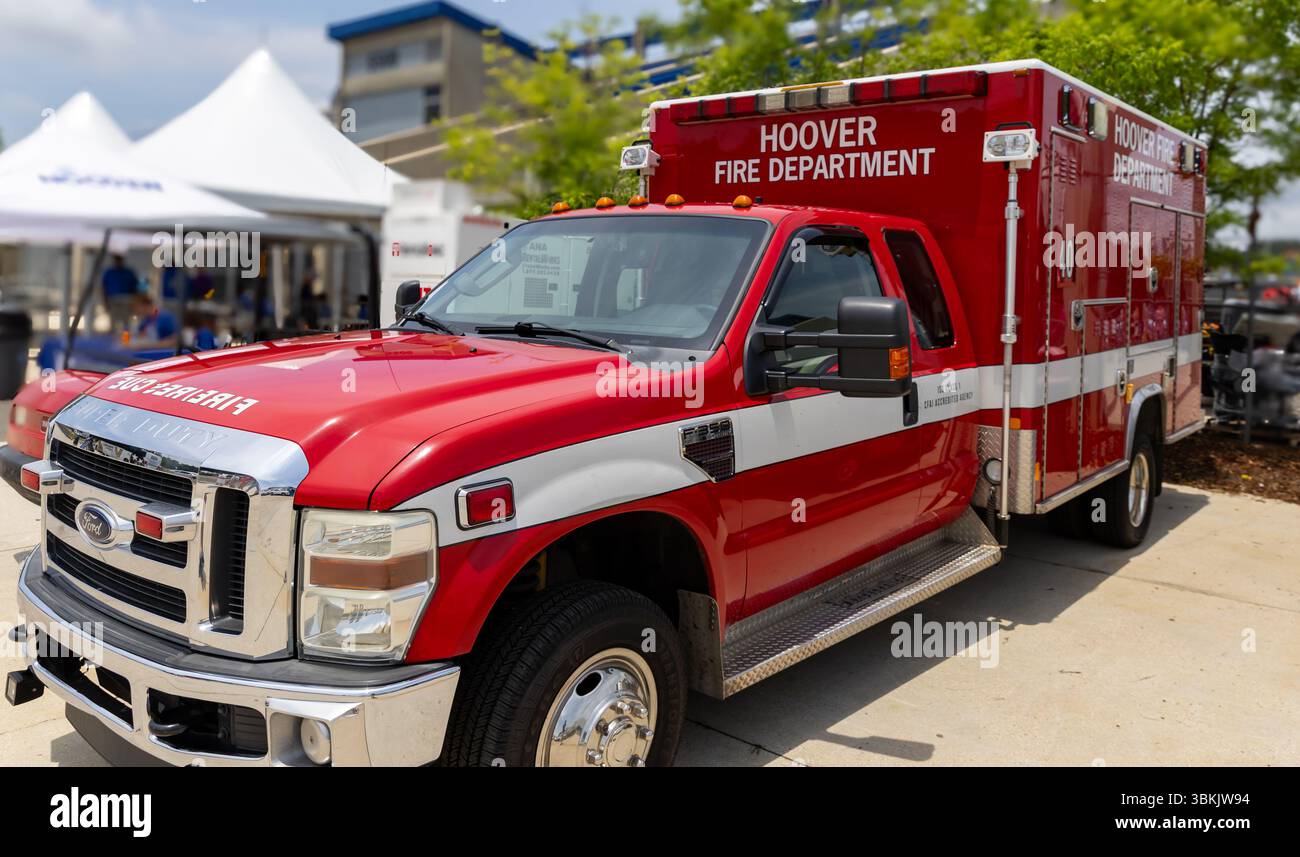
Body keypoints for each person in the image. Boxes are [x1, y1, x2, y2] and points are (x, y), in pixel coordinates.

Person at [101, 254, 138, 332]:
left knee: (126, 323)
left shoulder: (129, 272)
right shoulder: (109, 272)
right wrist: (105, 301)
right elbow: (103, 288)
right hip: (113, 299)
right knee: (113, 323)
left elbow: (135, 288)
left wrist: (135, 302)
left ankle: (126, 341)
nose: (118, 262)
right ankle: (112, 341)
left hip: (127, 299)